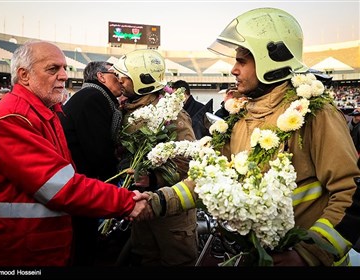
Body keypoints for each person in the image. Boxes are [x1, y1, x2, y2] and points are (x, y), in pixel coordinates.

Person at [145, 7, 360, 266]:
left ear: (273, 59)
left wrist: (307, 254)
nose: (233, 70)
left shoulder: (315, 114)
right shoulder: (239, 117)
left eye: (242, 61)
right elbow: (208, 178)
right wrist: (157, 201)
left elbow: (351, 194)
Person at [0, 40, 152, 266]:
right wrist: (126, 201)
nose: (63, 76)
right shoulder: (12, 118)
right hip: (9, 248)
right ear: (24, 75)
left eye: (64, 68)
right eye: (53, 69)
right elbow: (60, 186)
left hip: (29, 243)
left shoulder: (44, 112)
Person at [113, 49, 199, 266]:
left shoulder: (172, 116)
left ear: (143, 81)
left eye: (125, 77)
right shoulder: (128, 111)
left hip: (171, 215)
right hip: (142, 208)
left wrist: (153, 180)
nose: (119, 81)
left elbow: (188, 162)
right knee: (146, 258)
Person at [58, 61, 126, 266]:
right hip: (81, 184)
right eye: (115, 74)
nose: (121, 80)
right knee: (84, 243)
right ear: (101, 77)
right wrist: (118, 182)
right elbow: (98, 150)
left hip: (79, 180)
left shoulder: (93, 96)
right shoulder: (93, 98)